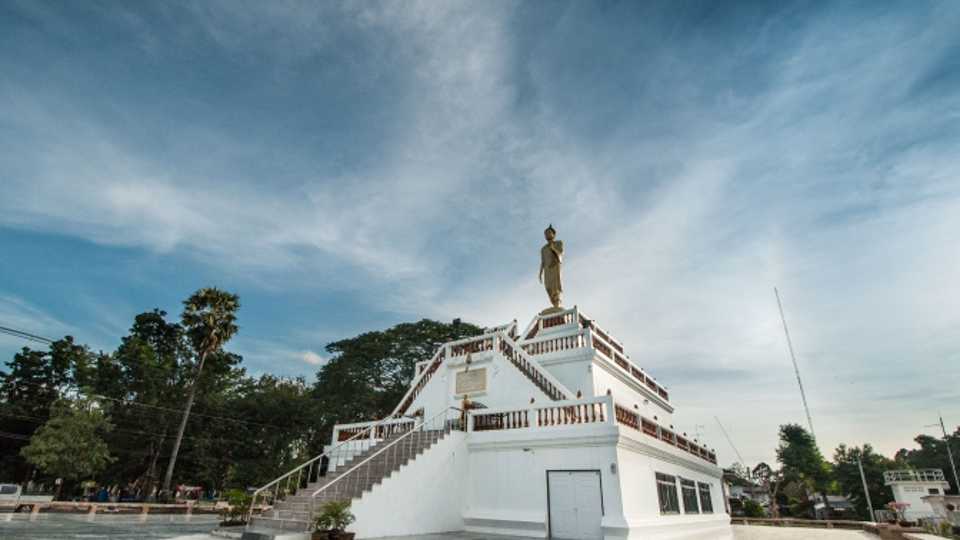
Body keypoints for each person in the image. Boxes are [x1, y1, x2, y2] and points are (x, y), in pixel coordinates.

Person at [538, 225, 564, 310]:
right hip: (548, 269)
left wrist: (554, 251)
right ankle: (553, 304)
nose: (547, 235)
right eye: (546, 234)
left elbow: (560, 254)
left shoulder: (559, 243)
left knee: (555, 286)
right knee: (548, 286)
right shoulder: (543, 249)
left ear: (554, 235)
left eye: (549, 233)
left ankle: (557, 304)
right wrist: (541, 273)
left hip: (555, 267)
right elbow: (543, 262)